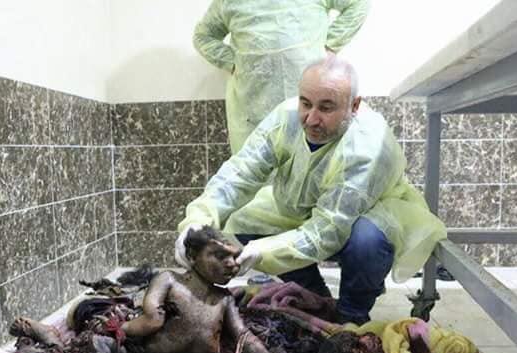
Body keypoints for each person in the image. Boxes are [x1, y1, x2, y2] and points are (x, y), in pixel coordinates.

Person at [175, 56, 447, 325]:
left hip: (366, 217)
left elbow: (328, 230)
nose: (311, 119)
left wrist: (263, 251)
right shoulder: (286, 118)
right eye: (305, 103)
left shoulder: (368, 147)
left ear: (354, 106)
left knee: (367, 241)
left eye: (326, 108)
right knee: (244, 218)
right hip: (305, 210)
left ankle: (352, 314)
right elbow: (241, 172)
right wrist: (198, 219)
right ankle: (315, 298)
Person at [193, 0, 370, 153]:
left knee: (310, 168)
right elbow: (203, 36)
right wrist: (234, 63)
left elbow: (358, 4)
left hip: (309, 102)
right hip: (253, 108)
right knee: (254, 172)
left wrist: (328, 45)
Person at [121, 225, 288, 353]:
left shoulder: (225, 298)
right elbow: (151, 319)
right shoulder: (169, 279)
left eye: (235, 257)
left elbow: (244, 337)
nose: (232, 263)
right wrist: (119, 328)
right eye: (220, 255)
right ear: (192, 256)